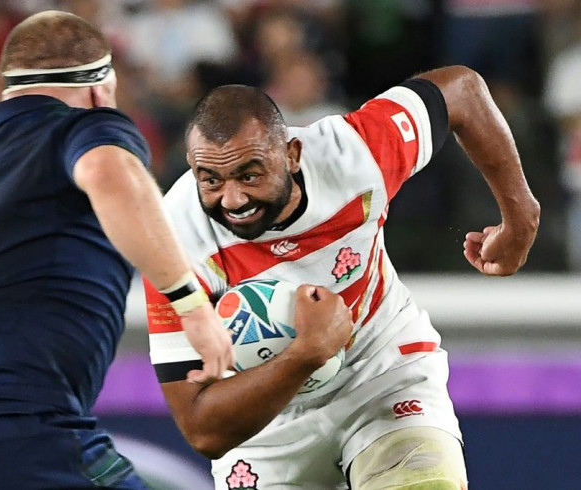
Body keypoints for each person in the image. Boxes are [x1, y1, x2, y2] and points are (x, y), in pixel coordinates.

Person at [0, 10, 232, 490]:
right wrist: (192, 306)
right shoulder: (80, 128)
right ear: (100, 89)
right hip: (21, 428)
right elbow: (106, 172)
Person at [143, 66, 540, 489]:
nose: (233, 199)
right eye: (212, 181)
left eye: (250, 174)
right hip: (263, 428)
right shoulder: (171, 245)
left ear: (292, 154)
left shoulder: (354, 153)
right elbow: (202, 429)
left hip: (382, 374)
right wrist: (306, 353)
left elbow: (461, 90)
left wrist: (521, 216)